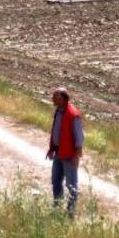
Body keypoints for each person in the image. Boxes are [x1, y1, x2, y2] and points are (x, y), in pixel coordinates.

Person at [46, 87, 84, 216]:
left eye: (54, 97)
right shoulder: (58, 111)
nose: (52, 99)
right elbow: (56, 132)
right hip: (58, 153)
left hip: (69, 156)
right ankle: (57, 207)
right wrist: (51, 149)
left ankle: (70, 212)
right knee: (56, 181)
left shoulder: (73, 115)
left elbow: (79, 137)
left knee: (71, 185)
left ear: (62, 99)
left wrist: (77, 155)